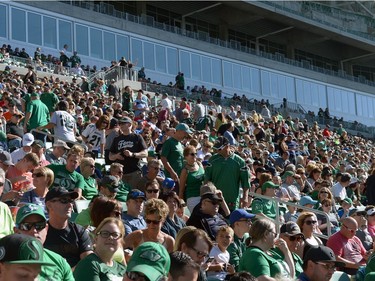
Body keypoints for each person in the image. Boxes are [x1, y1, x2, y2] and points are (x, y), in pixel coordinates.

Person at [13, 204, 74, 280]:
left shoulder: (59, 261)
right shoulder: (6, 263)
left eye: (39, 225)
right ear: (16, 231)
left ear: (46, 229)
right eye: (26, 226)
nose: (34, 230)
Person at [43, 187, 93, 268]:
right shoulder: (40, 231)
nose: (70, 205)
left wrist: (68, 274)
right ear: (49, 205)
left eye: (71, 201)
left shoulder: (79, 230)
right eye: (64, 201)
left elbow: (88, 261)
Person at [205, 136, 250, 211]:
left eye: (219, 149)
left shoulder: (240, 162)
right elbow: (207, 179)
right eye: (216, 149)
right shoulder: (212, 160)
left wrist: (245, 197)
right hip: (215, 199)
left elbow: (245, 181)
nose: (217, 151)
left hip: (232, 200)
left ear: (227, 146)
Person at [109, 117, 148, 188]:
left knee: (134, 194)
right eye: (120, 123)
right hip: (120, 173)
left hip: (134, 172)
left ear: (130, 124)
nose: (121, 125)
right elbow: (110, 156)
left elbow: (145, 153)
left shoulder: (137, 137)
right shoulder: (117, 139)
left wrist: (133, 154)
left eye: (123, 123)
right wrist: (116, 156)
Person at [161, 123, 193, 190]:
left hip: (179, 177)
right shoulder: (169, 142)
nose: (186, 135)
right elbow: (163, 158)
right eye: (185, 133)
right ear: (179, 131)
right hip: (171, 179)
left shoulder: (180, 144)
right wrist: (171, 172)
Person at [179, 145, 205, 212]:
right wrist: (181, 205)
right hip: (192, 198)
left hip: (204, 197)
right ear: (186, 156)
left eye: (196, 154)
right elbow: (181, 190)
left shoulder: (199, 164)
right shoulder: (185, 170)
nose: (195, 156)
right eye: (192, 154)